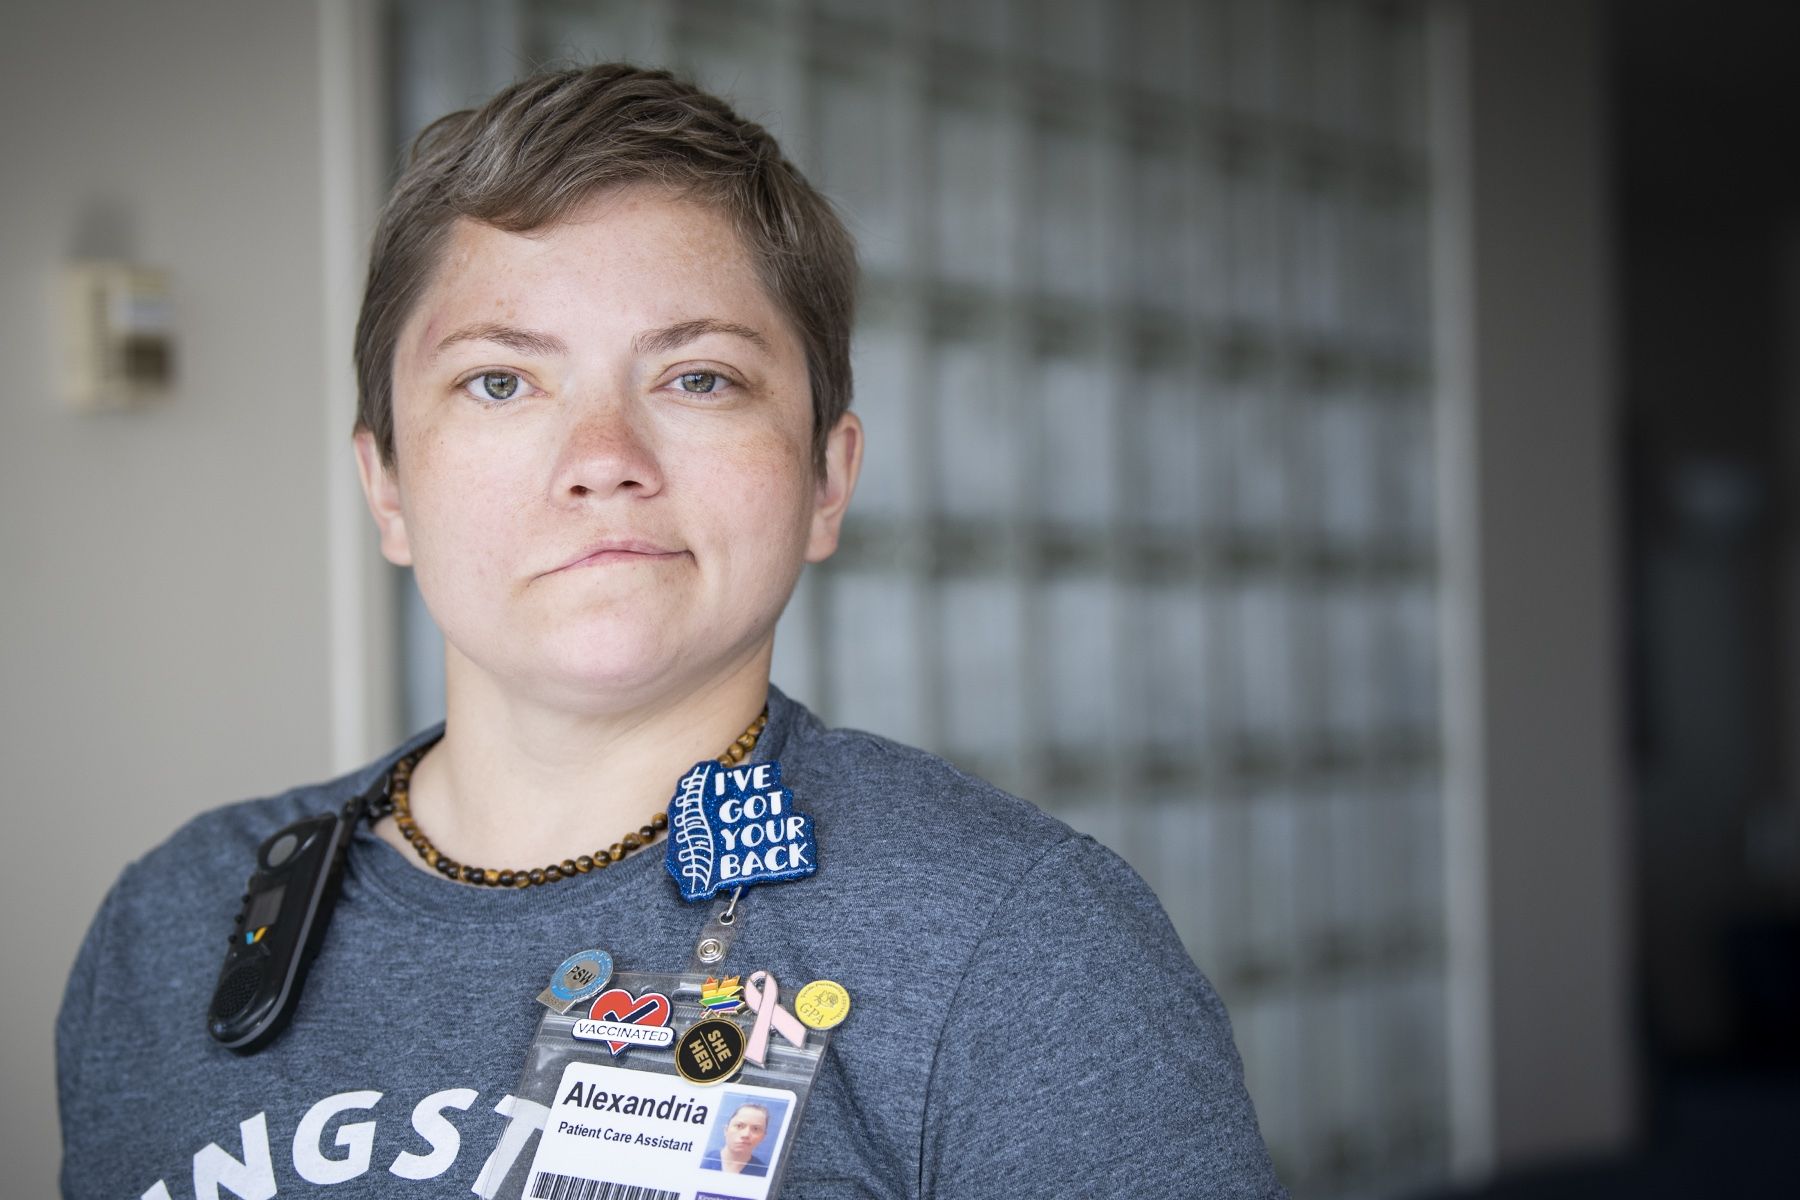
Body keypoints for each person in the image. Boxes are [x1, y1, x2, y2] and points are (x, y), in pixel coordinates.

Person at [56, 63, 1285, 1199]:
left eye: (698, 378)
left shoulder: (1023, 945)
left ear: (824, 480)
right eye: (501, 380)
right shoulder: (175, 920)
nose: (604, 462)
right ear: (387, 486)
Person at [700, 1102, 772, 1177]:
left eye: (755, 1129)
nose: (746, 1134)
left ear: (763, 1137)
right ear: (726, 1130)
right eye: (739, 1126)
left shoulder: (765, 1174)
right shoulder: (701, 1159)